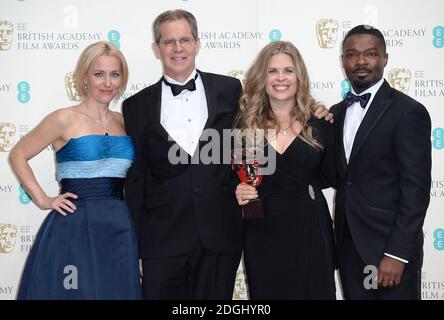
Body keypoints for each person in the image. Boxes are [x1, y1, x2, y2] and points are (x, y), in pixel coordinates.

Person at [9, 41, 142, 299]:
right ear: (84, 77)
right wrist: (43, 199)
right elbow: (18, 154)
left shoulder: (124, 121)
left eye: (115, 74)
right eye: (98, 74)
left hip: (119, 226)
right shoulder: (63, 118)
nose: (107, 83)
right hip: (74, 224)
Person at [330, 25, 431, 300]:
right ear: (343, 61)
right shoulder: (337, 113)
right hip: (349, 249)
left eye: (370, 53)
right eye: (352, 55)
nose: (361, 61)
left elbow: (416, 190)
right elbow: (332, 175)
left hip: (388, 250)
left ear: (385, 58)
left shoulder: (408, 112)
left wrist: (396, 254)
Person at [234, 41, 336, 299]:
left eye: (289, 71)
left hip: (309, 229)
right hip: (262, 233)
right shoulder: (244, 126)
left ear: (299, 77)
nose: (281, 78)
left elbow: (332, 175)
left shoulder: (320, 122)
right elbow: (228, 177)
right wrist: (238, 191)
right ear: (262, 77)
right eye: (272, 71)